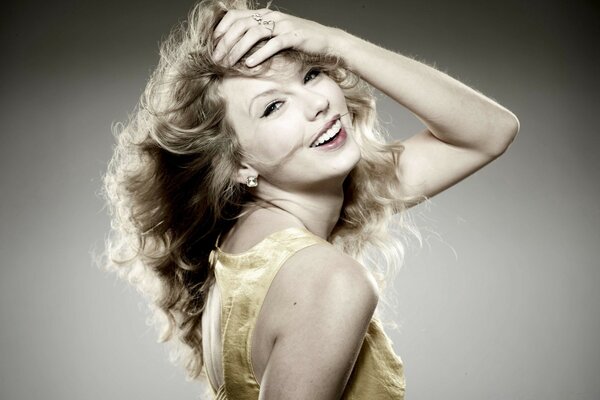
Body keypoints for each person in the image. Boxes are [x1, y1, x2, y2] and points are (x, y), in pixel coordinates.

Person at [102, 0, 519, 398]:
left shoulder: (245, 246)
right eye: (273, 107)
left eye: (310, 75)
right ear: (237, 165)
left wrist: (335, 44)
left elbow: (489, 132)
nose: (318, 103)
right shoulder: (326, 280)